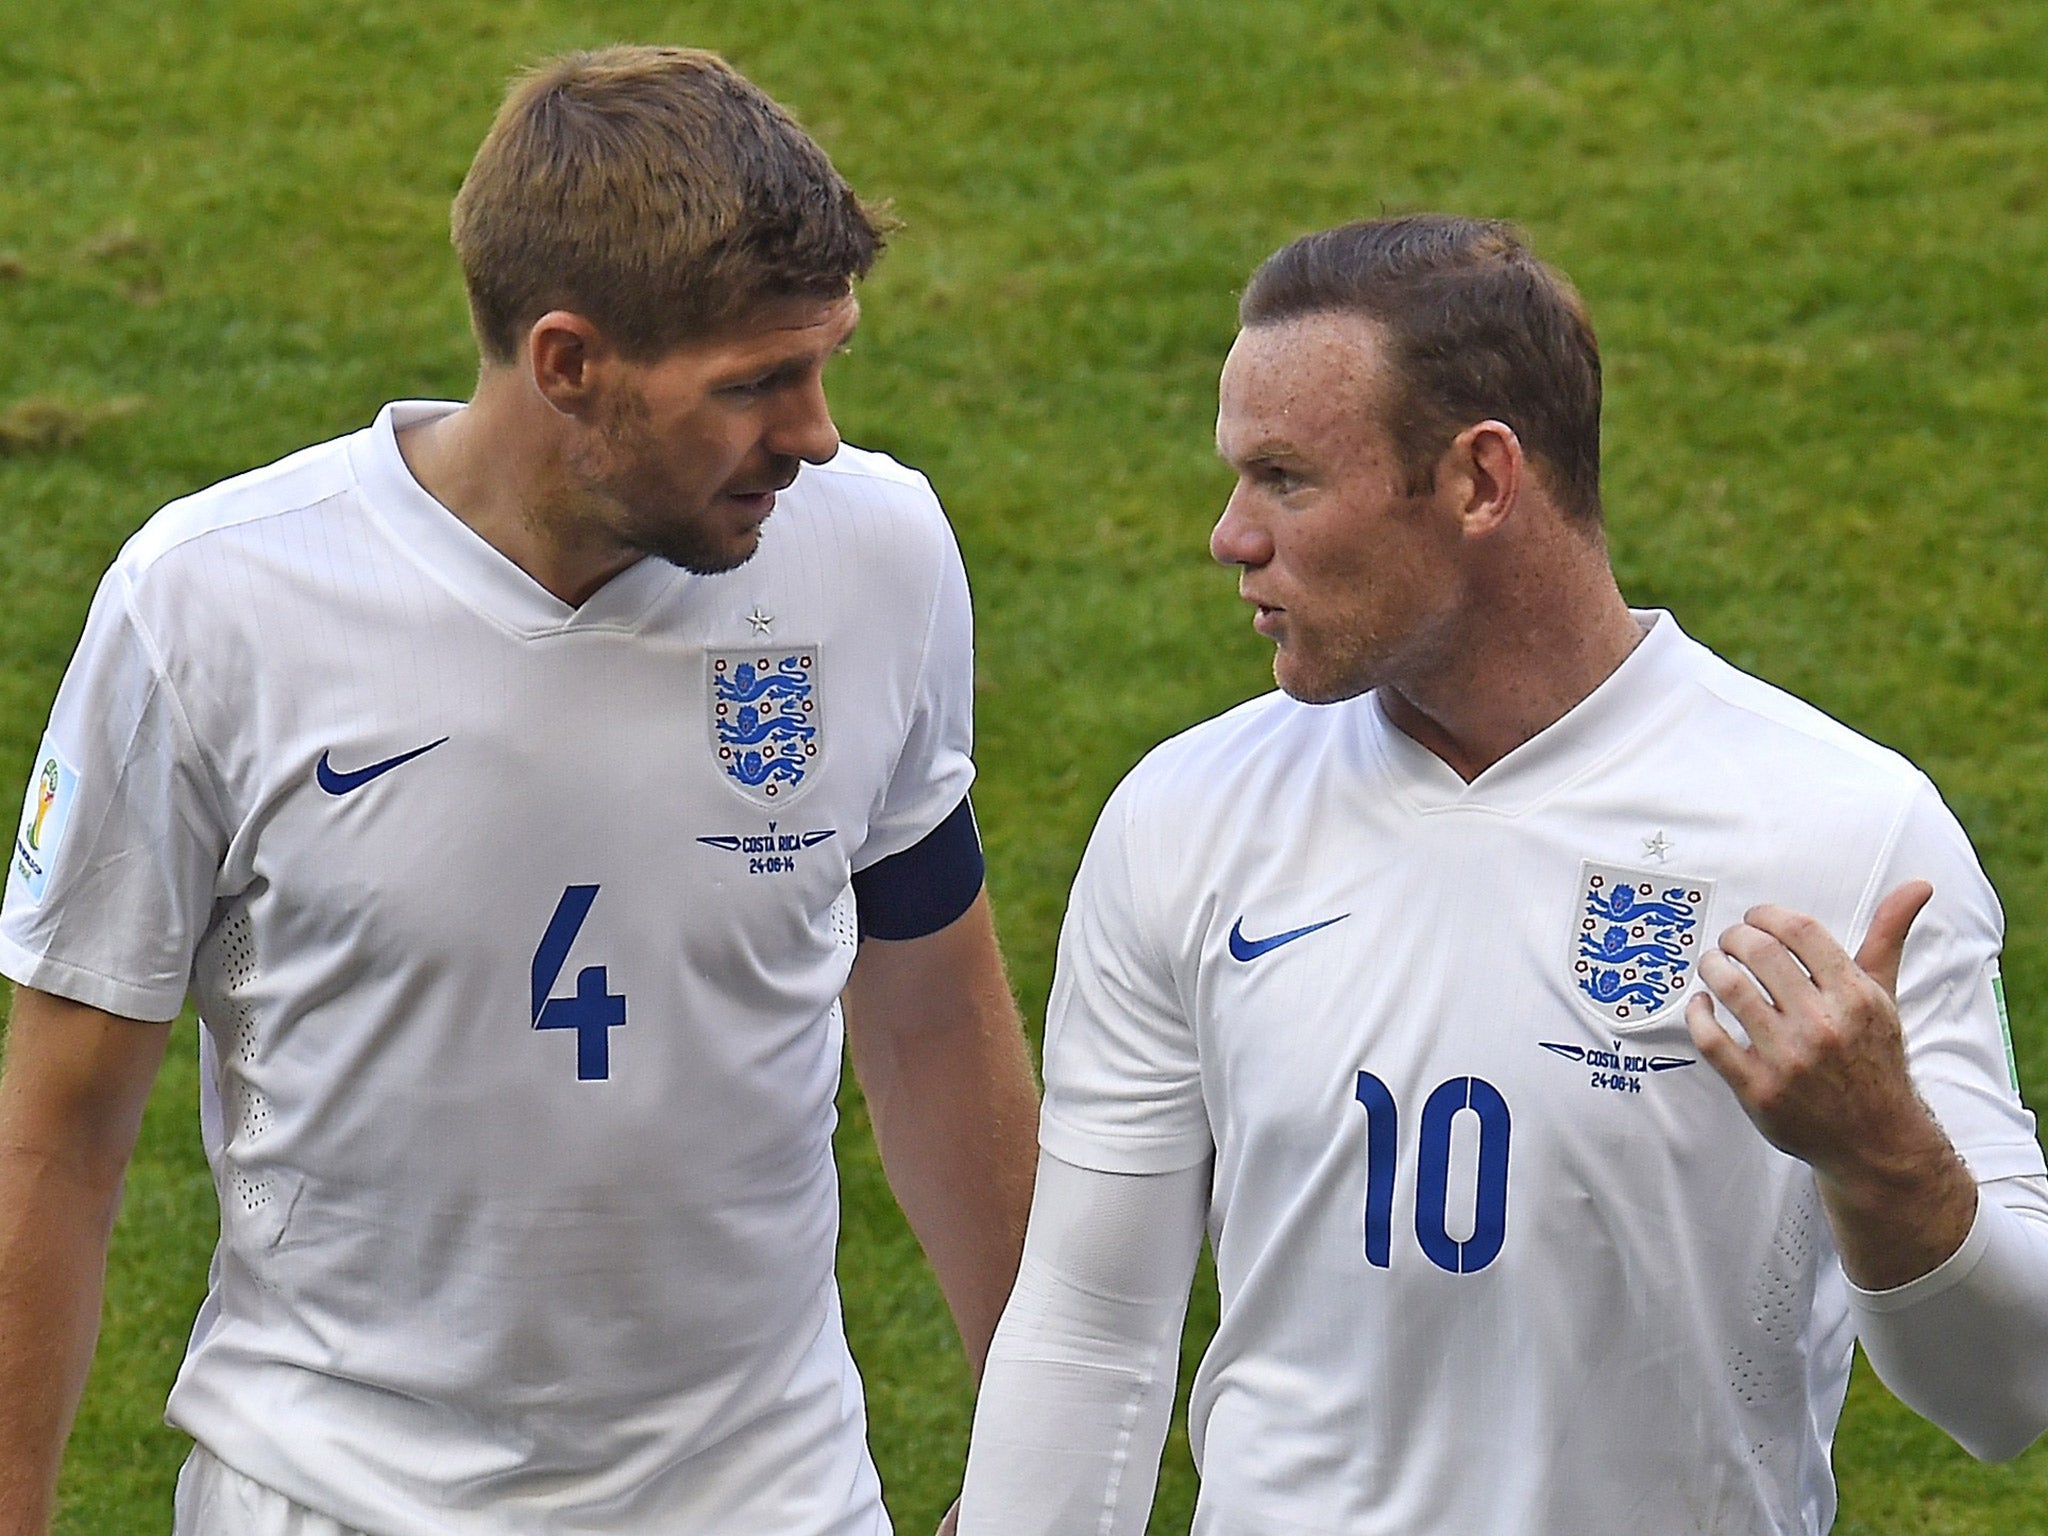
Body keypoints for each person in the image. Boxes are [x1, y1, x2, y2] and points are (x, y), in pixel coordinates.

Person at [0, 45, 1039, 1536]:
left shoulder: (875, 554)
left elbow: (937, 1011)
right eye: (756, 384)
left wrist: (1046, 1456)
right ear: (568, 363)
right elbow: (64, 1118)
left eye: (827, 364)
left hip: (772, 1499)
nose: (814, 436)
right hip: (334, 1500)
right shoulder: (212, 606)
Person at [955, 214, 2048, 1535]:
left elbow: (2004, 1395)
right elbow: (1090, 1324)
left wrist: (1882, 1152)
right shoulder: (1185, 818)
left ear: (1480, 481)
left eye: (1286, 480)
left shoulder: (1848, 836)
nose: (1229, 536)